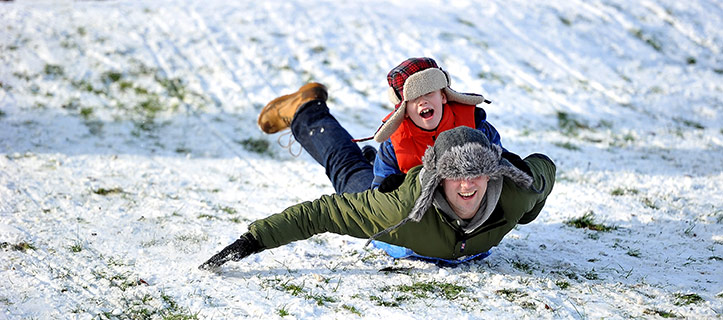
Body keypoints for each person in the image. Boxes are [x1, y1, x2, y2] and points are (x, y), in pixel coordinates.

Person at [199, 126, 555, 270]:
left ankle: (374, 162)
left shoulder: (513, 192)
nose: (467, 186)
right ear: (437, 177)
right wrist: (254, 239)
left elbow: (545, 168)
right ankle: (307, 111)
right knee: (346, 170)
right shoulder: (399, 210)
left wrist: (529, 209)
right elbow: (322, 214)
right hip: (380, 194)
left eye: (476, 174)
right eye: (455, 175)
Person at [256, 57, 504, 194]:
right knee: (348, 173)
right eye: (413, 98)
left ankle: (367, 160)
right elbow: (379, 197)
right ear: (403, 109)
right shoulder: (396, 141)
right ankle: (307, 111)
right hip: (402, 201)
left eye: (430, 92)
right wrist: (390, 188)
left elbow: (500, 170)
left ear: (443, 95)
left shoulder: (476, 127)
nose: (423, 101)